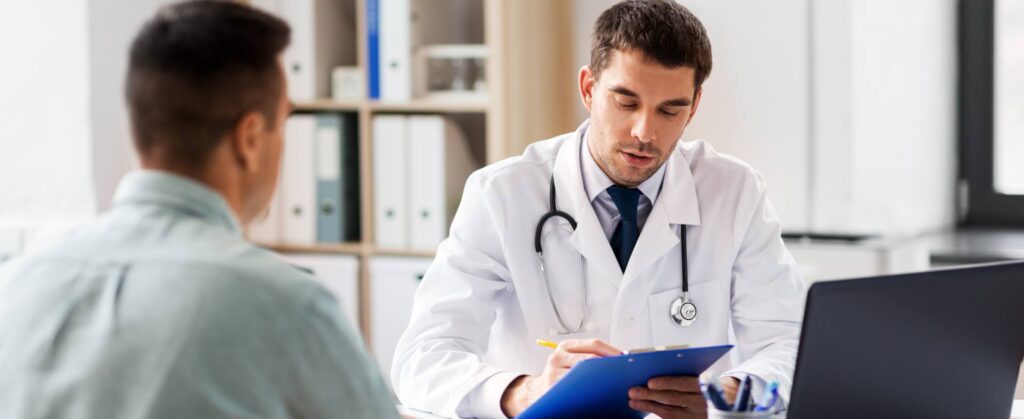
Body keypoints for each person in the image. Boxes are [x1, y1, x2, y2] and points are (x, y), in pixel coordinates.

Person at [391, 1, 806, 418]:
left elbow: (787, 344)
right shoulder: (502, 195)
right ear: (589, 88)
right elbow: (421, 357)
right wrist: (525, 392)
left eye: (670, 110)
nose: (645, 132)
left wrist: (728, 393)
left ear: (694, 106)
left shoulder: (734, 192)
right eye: (626, 102)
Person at [0, 1, 398, 418]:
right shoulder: (287, 307)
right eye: (282, 124)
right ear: (250, 138)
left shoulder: (17, 284)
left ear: (136, 126)